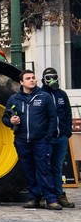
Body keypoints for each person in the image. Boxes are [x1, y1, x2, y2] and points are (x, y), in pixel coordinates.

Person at [4, 70, 60, 210]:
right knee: (28, 170)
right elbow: (4, 118)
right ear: (21, 82)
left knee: (44, 169)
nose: (32, 80)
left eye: (33, 78)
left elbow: (53, 119)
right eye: (28, 78)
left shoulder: (44, 97)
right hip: (22, 140)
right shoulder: (14, 99)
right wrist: (11, 120)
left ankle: (51, 199)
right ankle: (34, 198)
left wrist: (47, 137)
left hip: (41, 141)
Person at [42, 67, 75, 208]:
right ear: (43, 79)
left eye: (54, 76)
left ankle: (60, 194)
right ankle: (48, 195)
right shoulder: (41, 94)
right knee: (45, 167)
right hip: (47, 138)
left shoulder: (62, 95)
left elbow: (68, 113)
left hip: (61, 137)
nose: (51, 80)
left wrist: (67, 131)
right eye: (48, 77)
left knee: (58, 167)